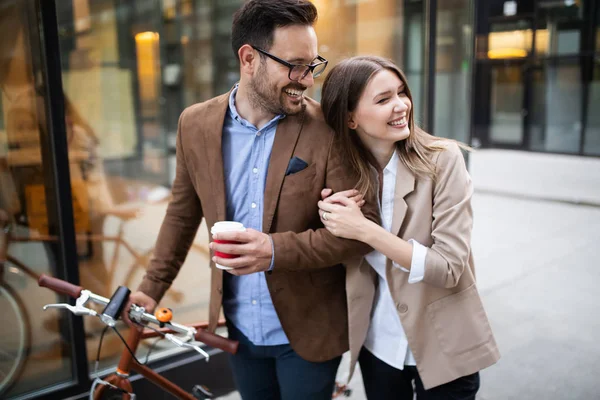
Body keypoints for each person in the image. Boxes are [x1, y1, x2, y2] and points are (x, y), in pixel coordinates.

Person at [125, 2, 379, 399]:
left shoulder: (329, 129)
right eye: (295, 65)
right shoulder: (194, 124)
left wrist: (274, 250)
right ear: (249, 58)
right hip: (239, 328)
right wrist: (151, 287)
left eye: (312, 65)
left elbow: (362, 232)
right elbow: (181, 212)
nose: (307, 80)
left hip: (309, 331)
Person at [317, 56, 500, 400]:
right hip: (378, 344)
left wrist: (365, 230)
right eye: (384, 99)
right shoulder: (343, 175)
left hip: (445, 342)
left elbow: (448, 268)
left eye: (402, 93)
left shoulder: (443, 160)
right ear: (350, 118)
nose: (402, 105)